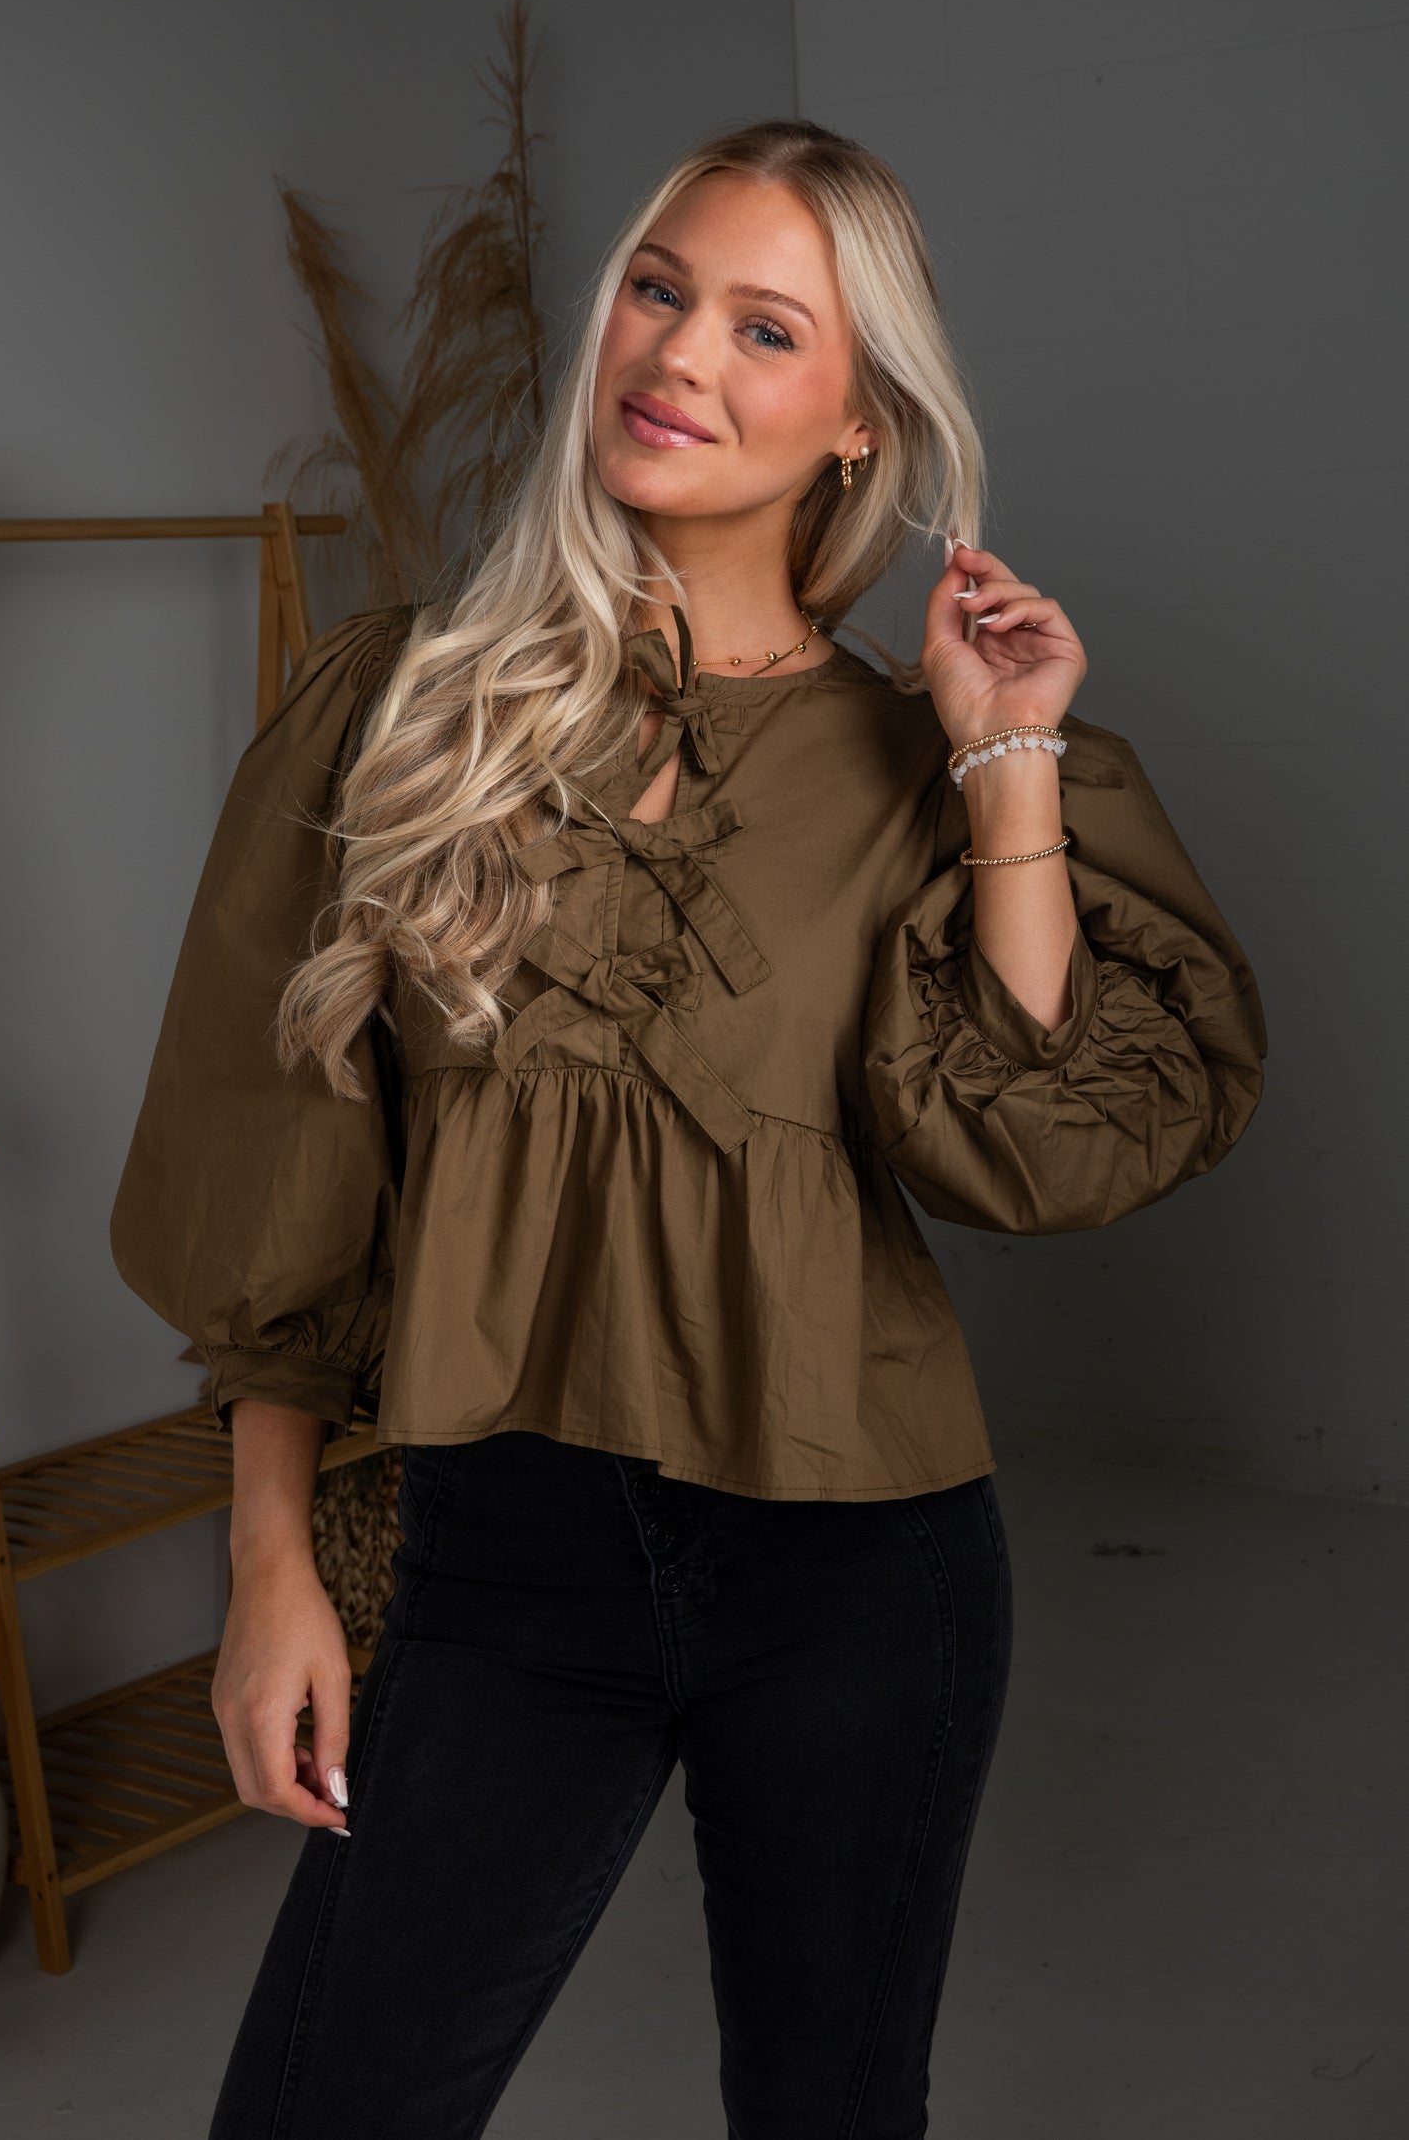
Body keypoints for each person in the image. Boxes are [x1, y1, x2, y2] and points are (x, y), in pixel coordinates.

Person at [110, 118, 1266, 2138]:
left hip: (862, 1574)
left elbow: (1046, 1146)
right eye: (661, 288)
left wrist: (1005, 767)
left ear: (856, 419)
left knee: (830, 2111)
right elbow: (272, 1176)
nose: (682, 356)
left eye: (765, 327)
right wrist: (273, 1566)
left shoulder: (924, 764)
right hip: (504, 1564)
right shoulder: (404, 708)